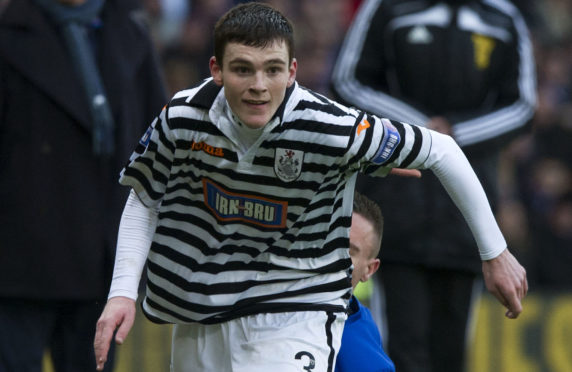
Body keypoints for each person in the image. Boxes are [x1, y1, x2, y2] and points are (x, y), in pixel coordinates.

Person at [94, 3, 527, 372]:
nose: (259, 86)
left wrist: (496, 254)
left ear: (293, 71)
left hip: (293, 308)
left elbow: (442, 150)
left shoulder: (329, 126)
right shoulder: (182, 119)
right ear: (217, 70)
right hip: (198, 313)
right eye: (243, 69)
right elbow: (145, 198)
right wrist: (121, 293)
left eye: (273, 70)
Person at [330, 0, 537, 371]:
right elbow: (348, 82)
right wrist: (421, 135)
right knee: (400, 351)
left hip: (467, 221)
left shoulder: (503, 17)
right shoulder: (386, 7)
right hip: (395, 209)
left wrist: (453, 134)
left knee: (451, 355)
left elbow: (522, 106)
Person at [0, 0, 167, 371]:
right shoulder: (10, 32)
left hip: (99, 262)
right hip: (17, 265)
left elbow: (158, 139)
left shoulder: (128, 29)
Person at [335, 192, 395, 372]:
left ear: (369, 269)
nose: (332, 256)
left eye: (349, 251)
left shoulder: (366, 357)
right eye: (330, 244)